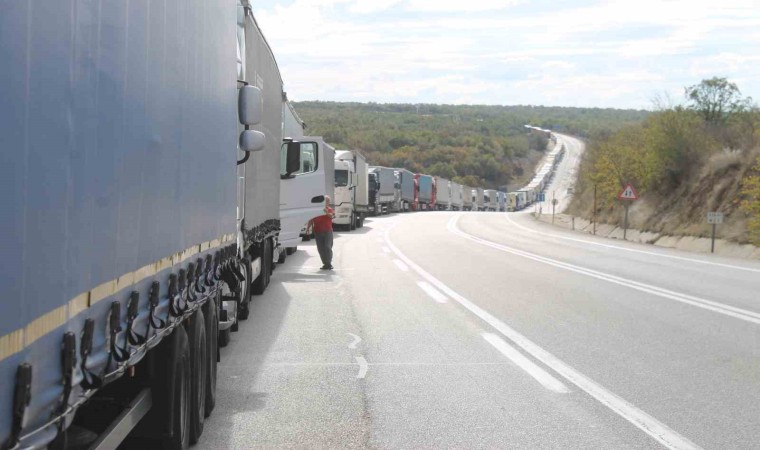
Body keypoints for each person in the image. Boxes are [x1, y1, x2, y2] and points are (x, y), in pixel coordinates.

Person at [309, 196, 335, 270]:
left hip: (328, 231)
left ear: (329, 203)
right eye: (325, 201)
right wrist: (308, 228)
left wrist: (326, 212)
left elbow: (332, 216)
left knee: (327, 246)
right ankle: (325, 263)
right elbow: (311, 219)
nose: (326, 202)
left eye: (328, 201)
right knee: (320, 248)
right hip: (318, 231)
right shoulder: (316, 210)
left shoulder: (329, 209)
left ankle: (329, 263)